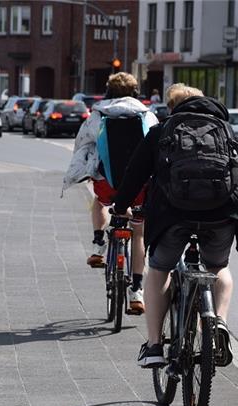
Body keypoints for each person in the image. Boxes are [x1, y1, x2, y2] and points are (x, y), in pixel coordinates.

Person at [112, 83, 238, 368]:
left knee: (159, 268)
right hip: (222, 212)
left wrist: (120, 207)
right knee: (218, 267)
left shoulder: (163, 131)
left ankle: (154, 345)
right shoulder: (226, 130)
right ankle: (219, 321)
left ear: (172, 107)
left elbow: (135, 173)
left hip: (173, 214)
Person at [63, 72, 159, 313]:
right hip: (138, 185)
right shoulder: (147, 115)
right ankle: (136, 291)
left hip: (108, 183)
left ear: (108, 92)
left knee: (99, 202)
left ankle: (98, 244)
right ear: (135, 92)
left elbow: (82, 143)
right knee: (139, 232)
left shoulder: (98, 114)